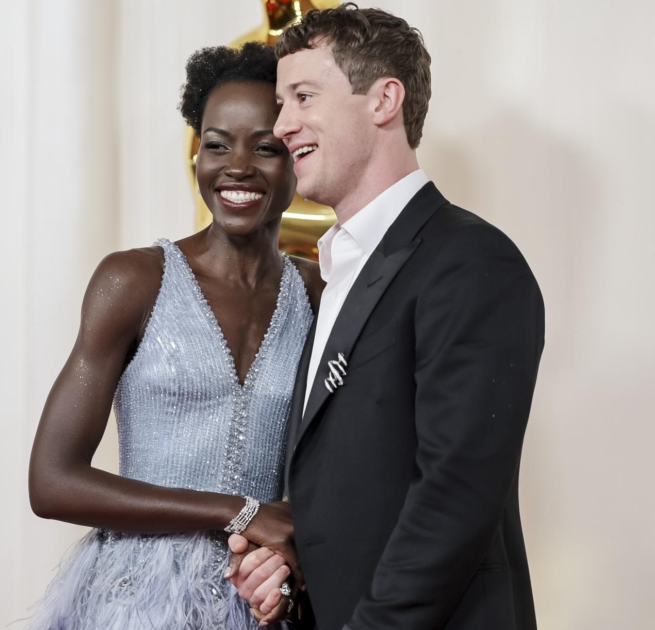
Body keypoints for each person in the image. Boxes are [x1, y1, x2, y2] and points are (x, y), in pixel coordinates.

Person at [227, 5, 545, 630]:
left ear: (383, 101)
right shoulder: (332, 271)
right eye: (281, 102)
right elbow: (353, 482)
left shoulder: (470, 262)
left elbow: (454, 496)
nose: (282, 124)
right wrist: (292, 576)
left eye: (303, 96)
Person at [26, 42, 325, 629]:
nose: (237, 166)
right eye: (216, 145)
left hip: (258, 599)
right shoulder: (134, 279)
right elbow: (52, 481)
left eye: (266, 147)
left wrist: (289, 565)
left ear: (297, 157)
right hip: (135, 600)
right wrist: (239, 512)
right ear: (196, 156)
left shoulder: (321, 294)